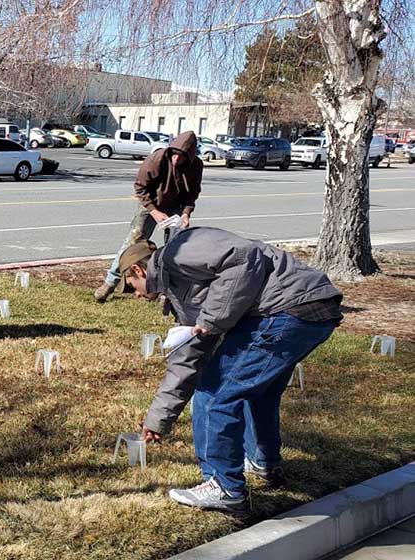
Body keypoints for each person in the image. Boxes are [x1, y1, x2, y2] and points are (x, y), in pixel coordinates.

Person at [119, 227, 342, 513]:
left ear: (138, 269)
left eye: (130, 287)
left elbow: (244, 256)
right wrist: (158, 419)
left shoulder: (179, 251)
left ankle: (223, 485)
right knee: (256, 392)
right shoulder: (179, 289)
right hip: (311, 309)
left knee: (214, 395)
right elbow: (189, 356)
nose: (134, 296)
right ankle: (263, 462)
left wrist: (213, 318)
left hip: (288, 308)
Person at [96, 131, 203, 303]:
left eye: (181, 156)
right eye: (175, 154)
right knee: (133, 240)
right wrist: (153, 211)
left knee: (174, 248)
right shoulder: (157, 159)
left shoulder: (196, 166)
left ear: (189, 157)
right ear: (171, 151)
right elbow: (140, 187)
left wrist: (185, 214)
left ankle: (166, 291)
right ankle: (110, 283)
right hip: (150, 203)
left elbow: (192, 193)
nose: (176, 159)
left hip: (175, 207)